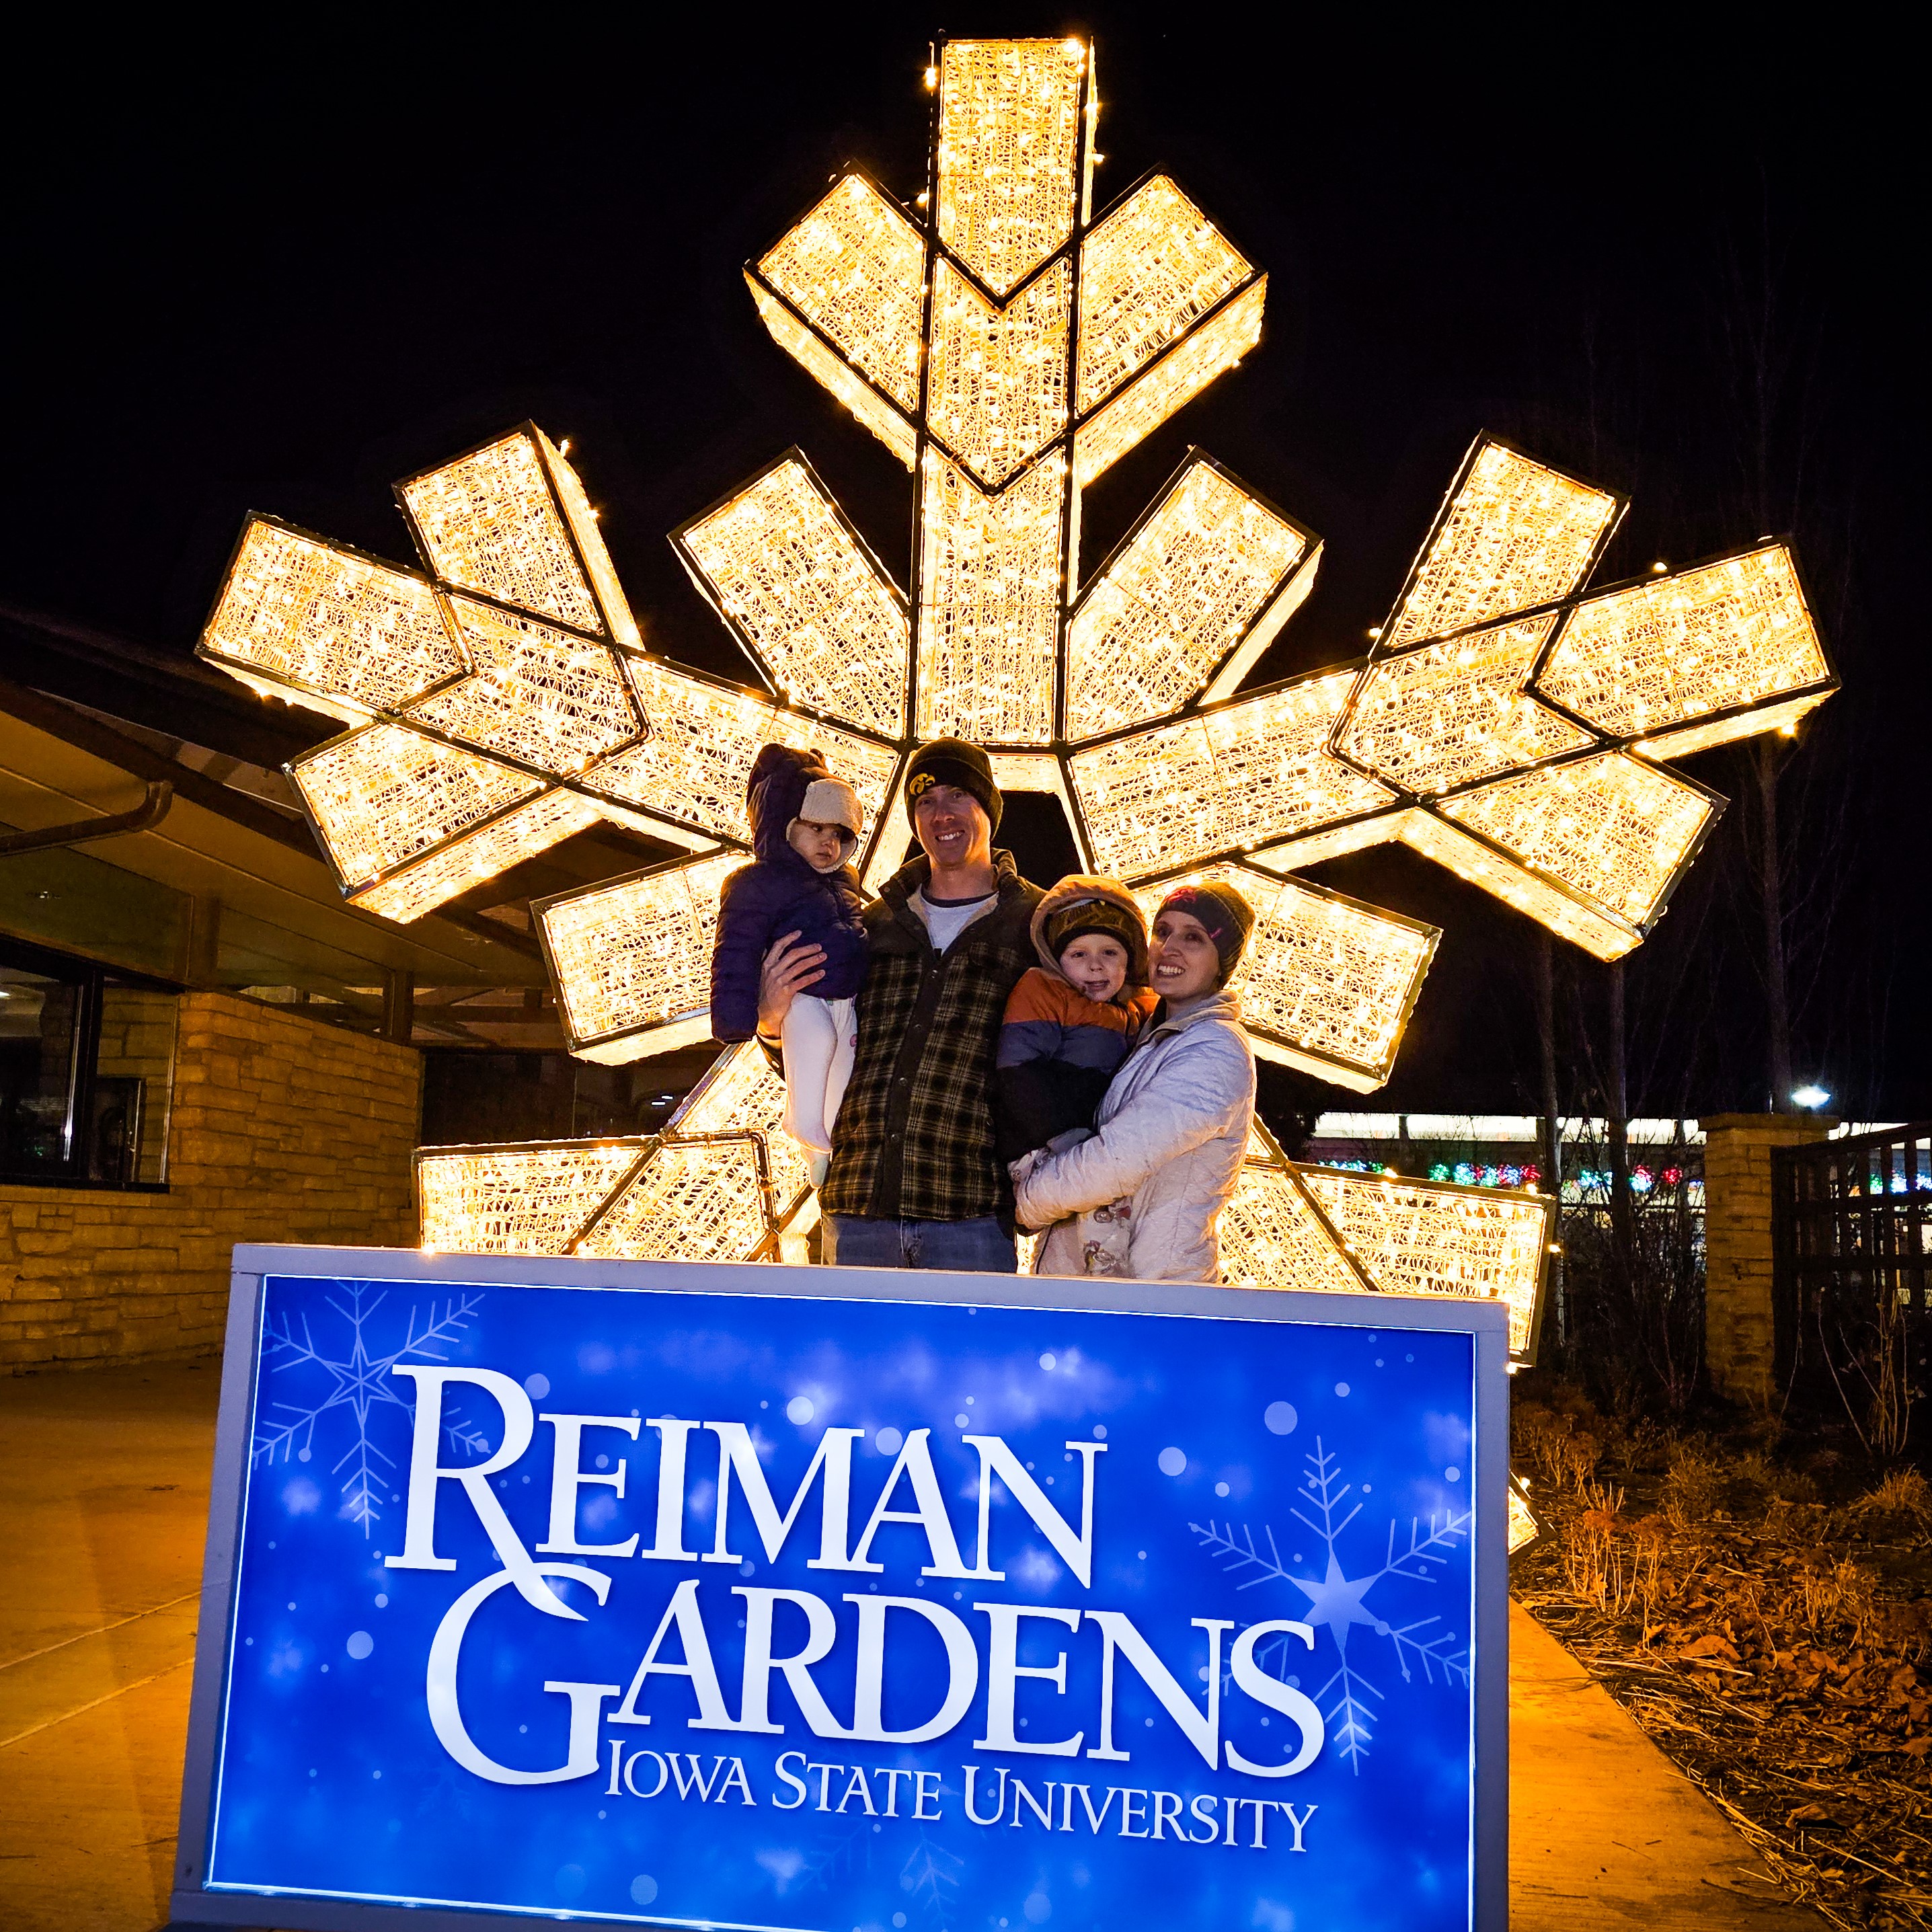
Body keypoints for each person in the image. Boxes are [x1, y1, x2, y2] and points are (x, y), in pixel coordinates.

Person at [757, 738, 1043, 1272]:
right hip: (859, 1200)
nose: (942, 814)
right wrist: (772, 1023)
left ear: (988, 809)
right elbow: (819, 1051)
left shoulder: (1036, 923)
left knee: (970, 1357)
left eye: (958, 796)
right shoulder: (870, 922)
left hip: (969, 1206)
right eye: (925, 801)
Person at [1013, 881, 1258, 1283]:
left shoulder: (1216, 1049)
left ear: (1222, 963)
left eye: (1193, 938)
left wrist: (1022, 1203)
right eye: (1162, 931)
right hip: (1106, 1292)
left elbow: (1116, 1161)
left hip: (1155, 1293)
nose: (1169, 948)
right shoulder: (1149, 1035)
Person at [709, 743, 866, 1156]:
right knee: (815, 1046)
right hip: (803, 998)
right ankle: (804, 1122)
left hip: (846, 998)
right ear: (784, 822)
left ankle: (822, 1142)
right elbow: (735, 952)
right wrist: (740, 1018)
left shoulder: (845, 881)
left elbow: (858, 927)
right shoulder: (754, 884)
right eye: (816, 829)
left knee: (843, 1064)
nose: (828, 843)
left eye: (838, 835)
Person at [995, 877, 1159, 1272]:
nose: (1095, 965)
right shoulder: (1044, 990)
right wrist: (1060, 1135)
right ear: (1057, 959)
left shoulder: (1142, 1008)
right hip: (1041, 1143)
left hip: (1094, 1147)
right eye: (1079, 954)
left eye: (1110, 952)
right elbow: (1017, 1072)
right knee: (1092, 1243)